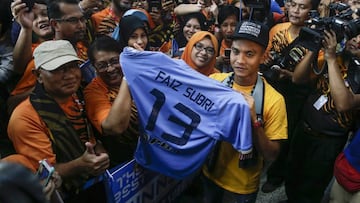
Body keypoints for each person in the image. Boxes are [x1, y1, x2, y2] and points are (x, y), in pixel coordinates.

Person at [5, 40, 110, 202]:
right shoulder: (25, 118)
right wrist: (81, 164)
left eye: (73, 66)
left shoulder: (77, 93)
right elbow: (44, 174)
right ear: (38, 75)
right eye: (58, 70)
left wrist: (98, 150)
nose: (69, 75)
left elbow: (88, 137)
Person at [202, 21, 288, 203]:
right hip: (207, 172)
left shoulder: (273, 100)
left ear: (264, 57)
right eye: (235, 51)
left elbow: (272, 155)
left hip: (240, 187)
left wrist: (254, 121)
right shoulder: (215, 82)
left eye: (249, 54)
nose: (240, 60)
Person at [288, 27, 360, 202]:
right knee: (292, 176)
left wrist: (331, 59)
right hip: (304, 129)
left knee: (311, 187)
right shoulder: (336, 57)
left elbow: (344, 104)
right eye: (356, 36)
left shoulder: (334, 59)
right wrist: (315, 47)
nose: (357, 41)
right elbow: (297, 79)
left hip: (328, 141)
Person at [260, 0, 320, 193]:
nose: (295, 10)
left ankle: (276, 175)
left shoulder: (315, 40)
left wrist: (289, 74)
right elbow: (264, 55)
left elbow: (308, 78)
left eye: (302, 6)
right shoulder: (277, 29)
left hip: (295, 94)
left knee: (285, 134)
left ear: (311, 10)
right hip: (270, 85)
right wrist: (266, 59)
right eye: (293, 4)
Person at [84, 36, 139, 166]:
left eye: (115, 61)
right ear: (94, 67)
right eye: (102, 65)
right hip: (126, 158)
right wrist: (127, 78)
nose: (110, 69)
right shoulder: (93, 91)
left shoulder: (139, 73)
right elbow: (114, 127)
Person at [215, 5, 240, 73]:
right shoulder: (215, 46)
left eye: (233, 25)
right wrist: (217, 62)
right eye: (225, 25)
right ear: (220, 27)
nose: (229, 30)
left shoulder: (246, 47)